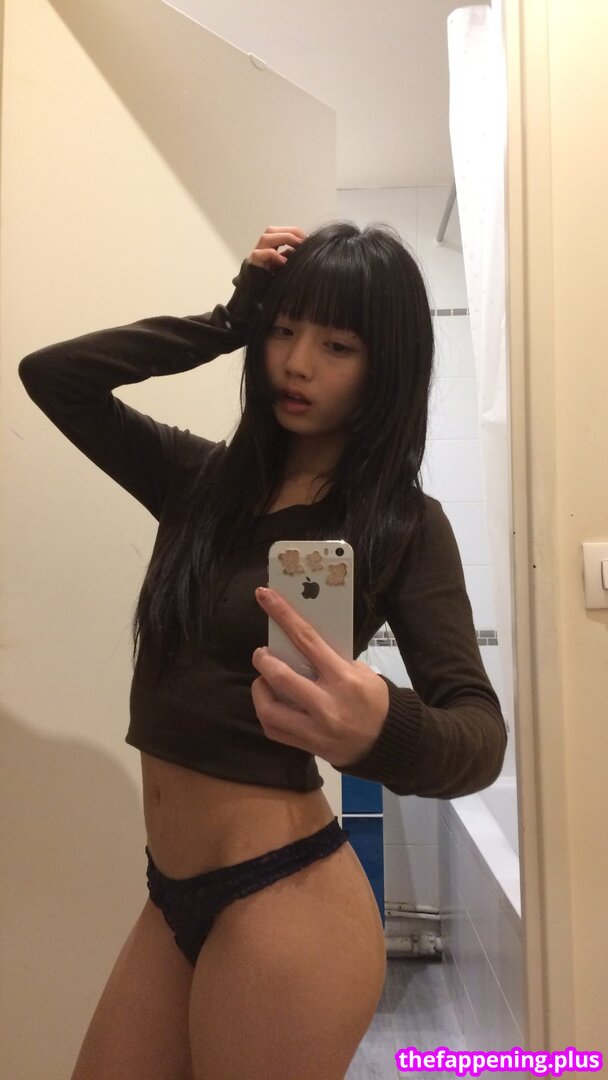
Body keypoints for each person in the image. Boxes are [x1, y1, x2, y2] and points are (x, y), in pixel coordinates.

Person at [19, 222, 507, 1080]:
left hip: (285, 897)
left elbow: (480, 736)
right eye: (283, 330)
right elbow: (54, 376)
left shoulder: (401, 525)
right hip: (170, 895)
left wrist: (381, 728)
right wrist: (227, 319)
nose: (297, 363)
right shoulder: (201, 483)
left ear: (385, 366)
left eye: (337, 345)